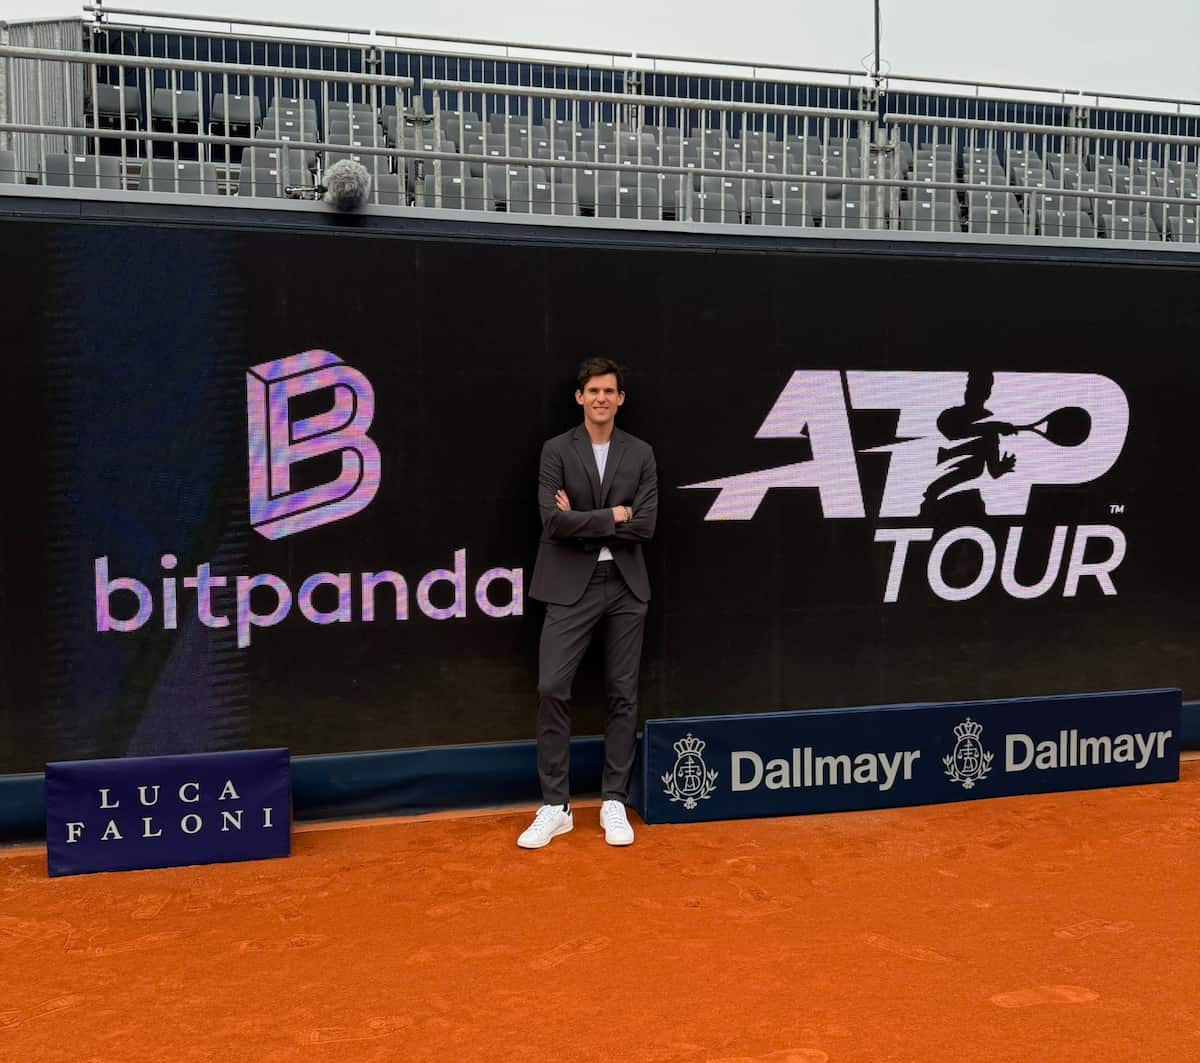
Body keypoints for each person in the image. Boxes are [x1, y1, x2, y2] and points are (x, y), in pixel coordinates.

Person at [517, 358, 658, 849]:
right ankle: (555, 806)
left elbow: (646, 526)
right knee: (552, 685)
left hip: (625, 584)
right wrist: (612, 515)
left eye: (610, 391)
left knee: (622, 693)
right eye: (593, 390)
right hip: (568, 586)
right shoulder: (556, 450)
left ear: (620, 399)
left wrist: (584, 517)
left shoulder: (640, 454)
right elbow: (550, 522)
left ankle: (613, 800)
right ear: (579, 398)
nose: (601, 398)